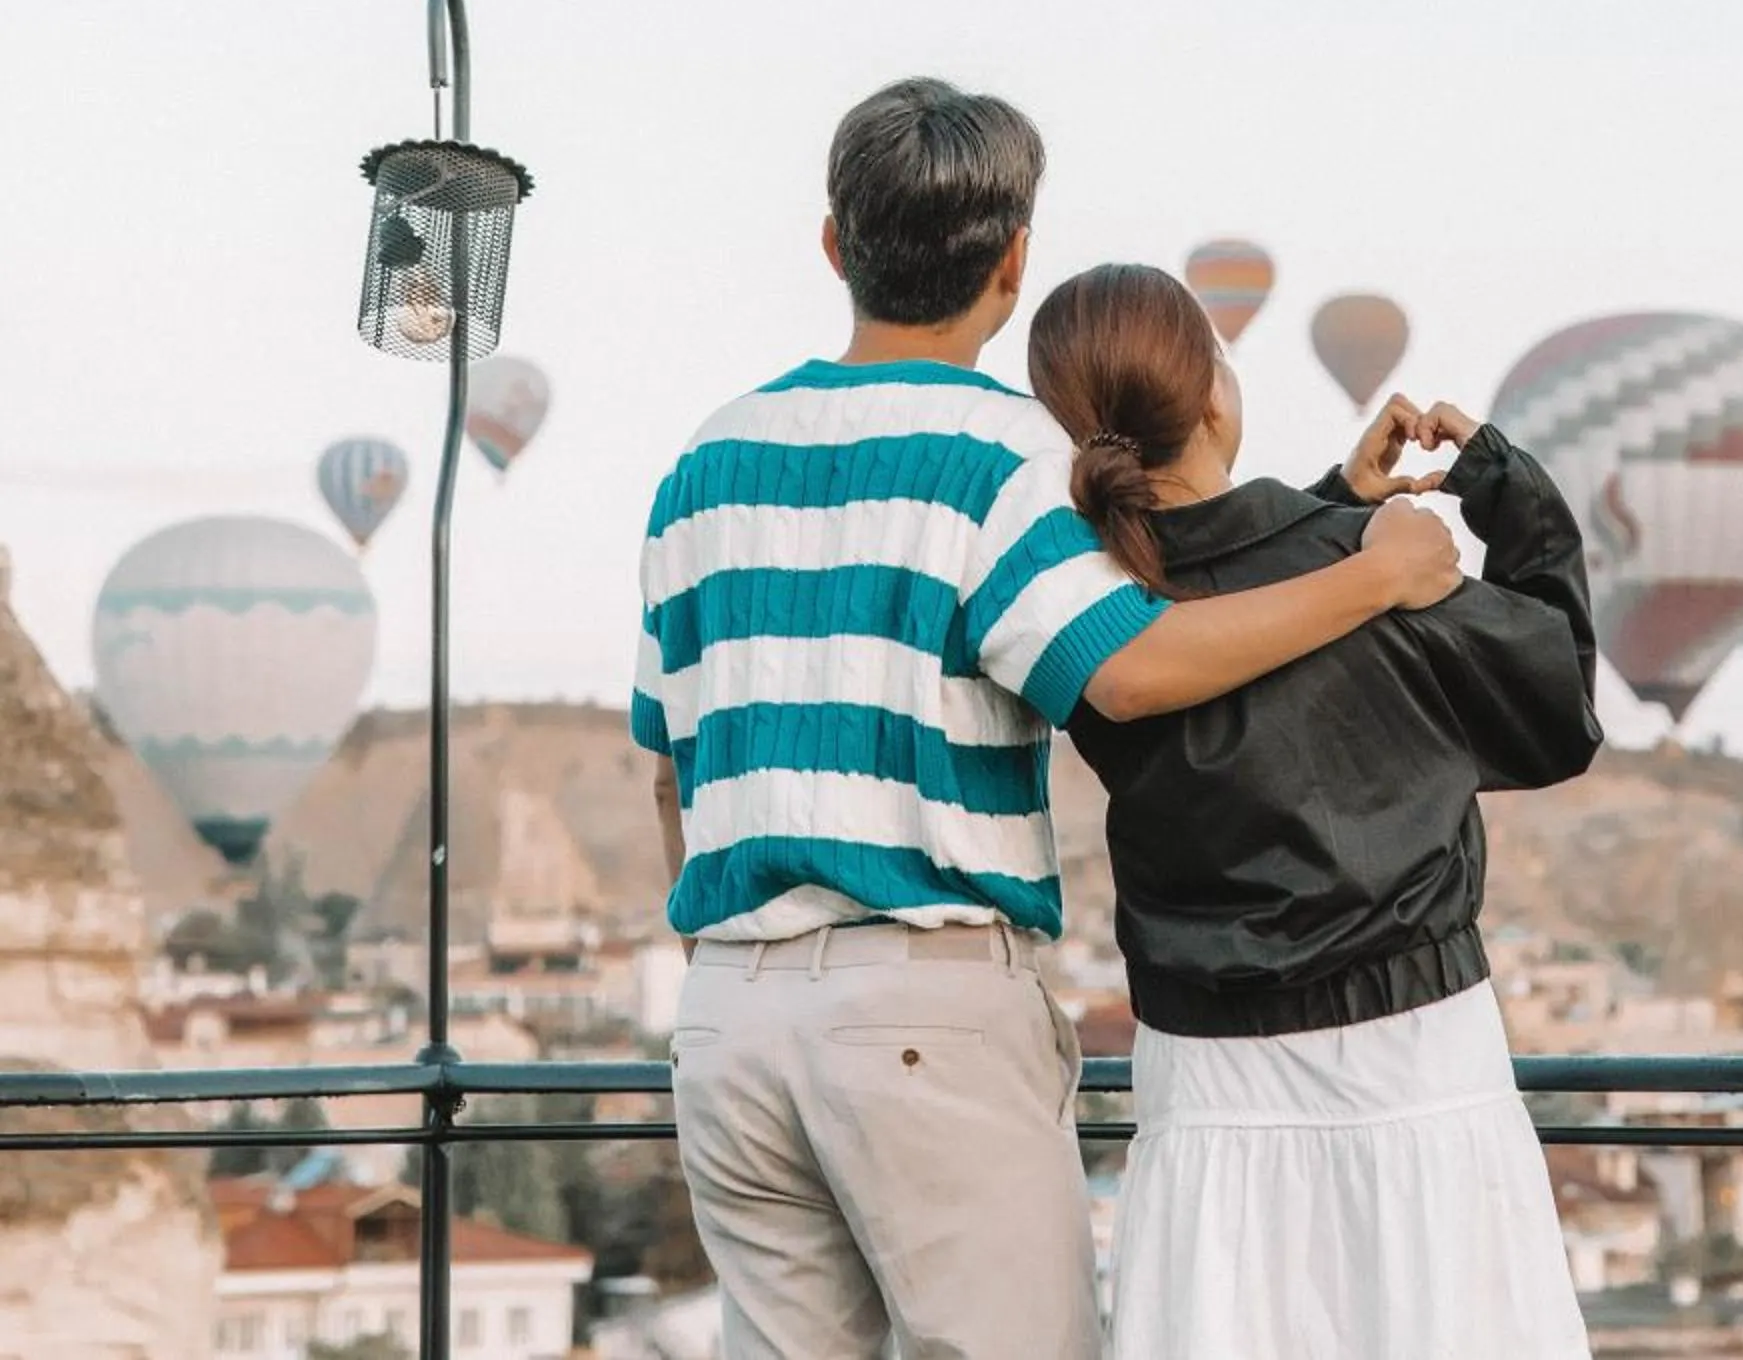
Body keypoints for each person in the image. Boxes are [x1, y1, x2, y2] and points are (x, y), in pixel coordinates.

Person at [633, 81, 1463, 1360]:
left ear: (834, 244)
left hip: (727, 1023)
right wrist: (1370, 569)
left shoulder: (704, 465)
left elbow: (666, 771)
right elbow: (1129, 668)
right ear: (1013, 264)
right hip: (919, 1021)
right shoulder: (1000, 456)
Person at [1028, 260, 1601, 1360]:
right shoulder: (1374, 571)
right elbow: (1557, 707)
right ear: (1213, 397)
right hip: (1417, 1062)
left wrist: (1336, 507)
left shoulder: (1089, 608)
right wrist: (1497, 483)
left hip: (1203, 1088)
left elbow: (1231, 618)